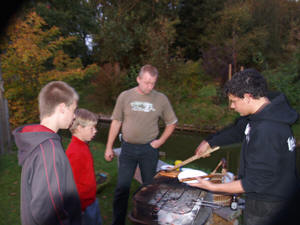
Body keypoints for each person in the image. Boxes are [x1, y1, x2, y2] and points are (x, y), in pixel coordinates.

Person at [191, 69, 299, 225]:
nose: (232, 107)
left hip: (268, 205)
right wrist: (210, 142)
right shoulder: (266, 111)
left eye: (234, 101)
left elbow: (253, 183)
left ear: (248, 97)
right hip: (271, 195)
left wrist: (212, 187)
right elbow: (238, 130)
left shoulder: (266, 131)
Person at [105, 64, 178, 225]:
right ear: (138, 79)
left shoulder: (161, 99)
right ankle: (118, 222)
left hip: (148, 150)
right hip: (128, 149)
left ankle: (145, 220)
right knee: (121, 188)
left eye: (152, 83)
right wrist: (109, 147)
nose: (149, 86)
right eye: (146, 82)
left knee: (149, 188)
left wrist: (160, 141)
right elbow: (116, 121)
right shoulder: (125, 96)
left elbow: (171, 123)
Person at [13, 81, 82, 225]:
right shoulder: (48, 151)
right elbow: (46, 212)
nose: (74, 116)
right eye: (73, 110)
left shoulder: (38, 141)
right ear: (62, 108)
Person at [66, 108, 102, 225]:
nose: (95, 131)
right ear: (79, 128)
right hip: (83, 206)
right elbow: (71, 185)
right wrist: (79, 208)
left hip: (91, 200)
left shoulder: (83, 145)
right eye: (91, 128)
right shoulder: (74, 152)